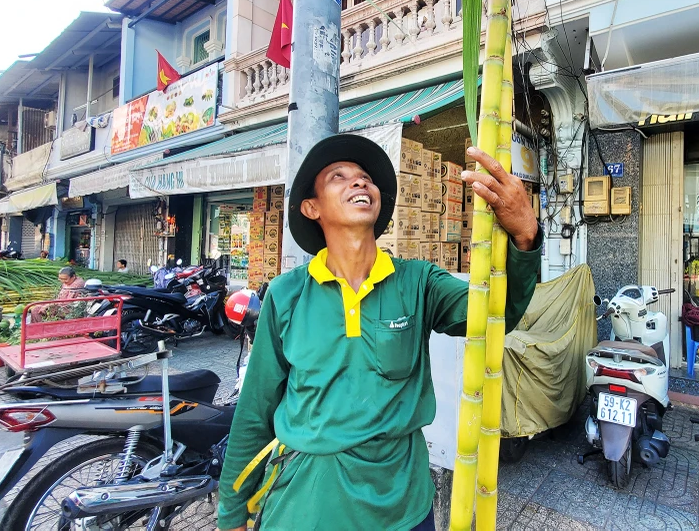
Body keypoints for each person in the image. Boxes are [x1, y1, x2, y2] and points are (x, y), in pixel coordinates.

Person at [216, 136, 542, 531]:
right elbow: (255, 409)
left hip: (401, 506)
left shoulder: (417, 282)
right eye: (338, 177)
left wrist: (526, 235)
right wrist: (232, 513)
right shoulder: (287, 294)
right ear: (312, 207)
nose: (359, 182)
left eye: (366, 178)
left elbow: (496, 313)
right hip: (308, 504)